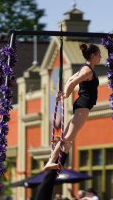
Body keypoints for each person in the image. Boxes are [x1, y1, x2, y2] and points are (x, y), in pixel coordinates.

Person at [44, 43, 101, 171]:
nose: (100, 57)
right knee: (68, 137)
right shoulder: (87, 70)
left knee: (68, 137)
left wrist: (65, 93)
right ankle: (51, 160)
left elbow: (70, 79)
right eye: (99, 54)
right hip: (83, 106)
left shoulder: (85, 68)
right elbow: (73, 82)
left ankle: (56, 158)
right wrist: (66, 94)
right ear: (92, 55)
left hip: (81, 105)